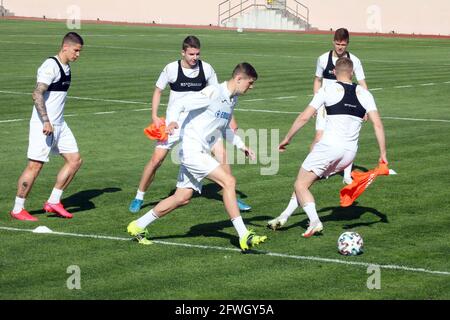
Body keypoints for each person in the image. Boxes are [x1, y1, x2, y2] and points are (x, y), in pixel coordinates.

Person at [127, 63, 267, 251]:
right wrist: (173, 120)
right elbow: (180, 103)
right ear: (239, 79)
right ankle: (243, 235)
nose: (251, 87)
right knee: (229, 182)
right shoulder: (213, 92)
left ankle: (138, 225)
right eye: (250, 83)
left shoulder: (232, 100)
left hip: (198, 152)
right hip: (193, 151)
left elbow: (223, 128)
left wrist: (242, 146)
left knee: (182, 197)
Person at [129, 36, 251, 213]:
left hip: (200, 123)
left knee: (222, 154)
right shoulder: (171, 69)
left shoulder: (207, 69)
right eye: (191, 54)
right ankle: (139, 196)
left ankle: (229, 192)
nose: (195, 57)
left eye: (197, 54)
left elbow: (221, 96)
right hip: (175, 122)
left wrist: (231, 119)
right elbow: (158, 91)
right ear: (183, 52)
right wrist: (155, 115)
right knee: (157, 159)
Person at [268, 57, 387, 237]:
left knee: (300, 184)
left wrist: (287, 138)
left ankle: (315, 222)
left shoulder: (328, 89)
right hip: (349, 154)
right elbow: (378, 125)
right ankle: (283, 216)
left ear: (333, 72)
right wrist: (383, 154)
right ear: (352, 73)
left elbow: (304, 117)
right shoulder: (365, 94)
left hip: (329, 147)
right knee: (306, 182)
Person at [9, 32, 84, 221]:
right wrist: (45, 120)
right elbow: (37, 94)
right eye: (76, 50)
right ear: (65, 47)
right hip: (44, 124)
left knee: (75, 160)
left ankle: (53, 201)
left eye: (79, 51)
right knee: (35, 166)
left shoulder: (66, 67)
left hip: (60, 124)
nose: (78, 55)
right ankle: (18, 208)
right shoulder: (51, 66)